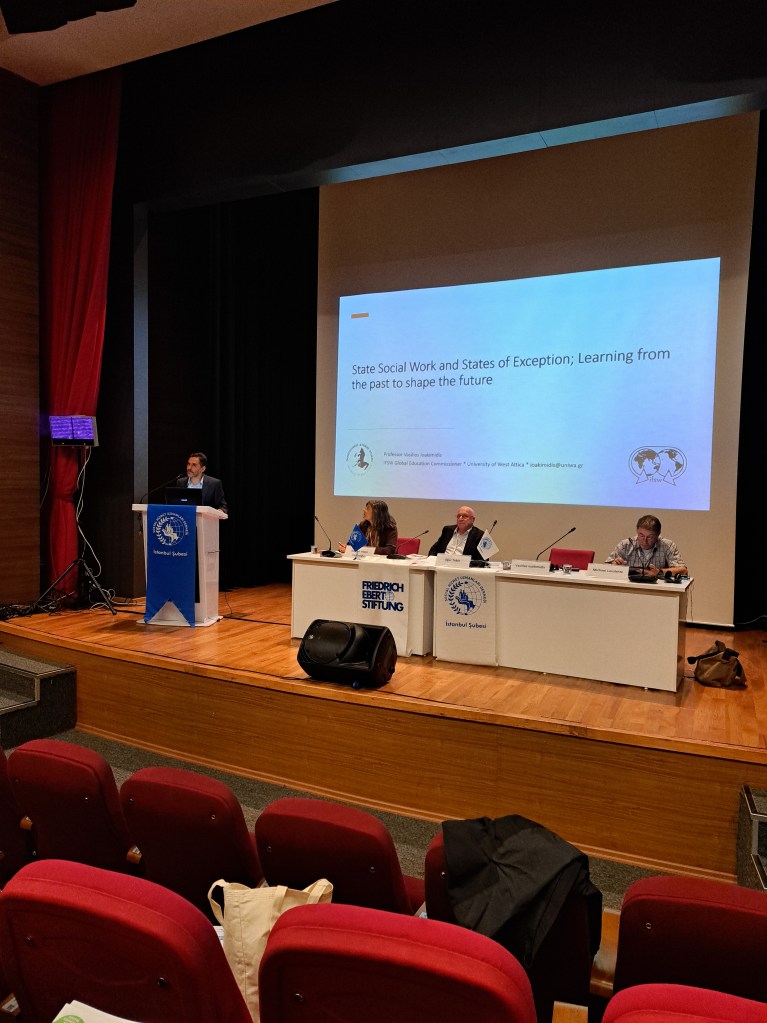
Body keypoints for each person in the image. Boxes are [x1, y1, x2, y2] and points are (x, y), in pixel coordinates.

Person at [606, 513, 687, 577]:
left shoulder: (667, 545)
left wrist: (659, 572)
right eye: (641, 535)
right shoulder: (625, 545)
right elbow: (605, 568)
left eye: (650, 537)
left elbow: (683, 570)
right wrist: (614, 565)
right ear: (637, 530)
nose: (644, 541)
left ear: (658, 534)